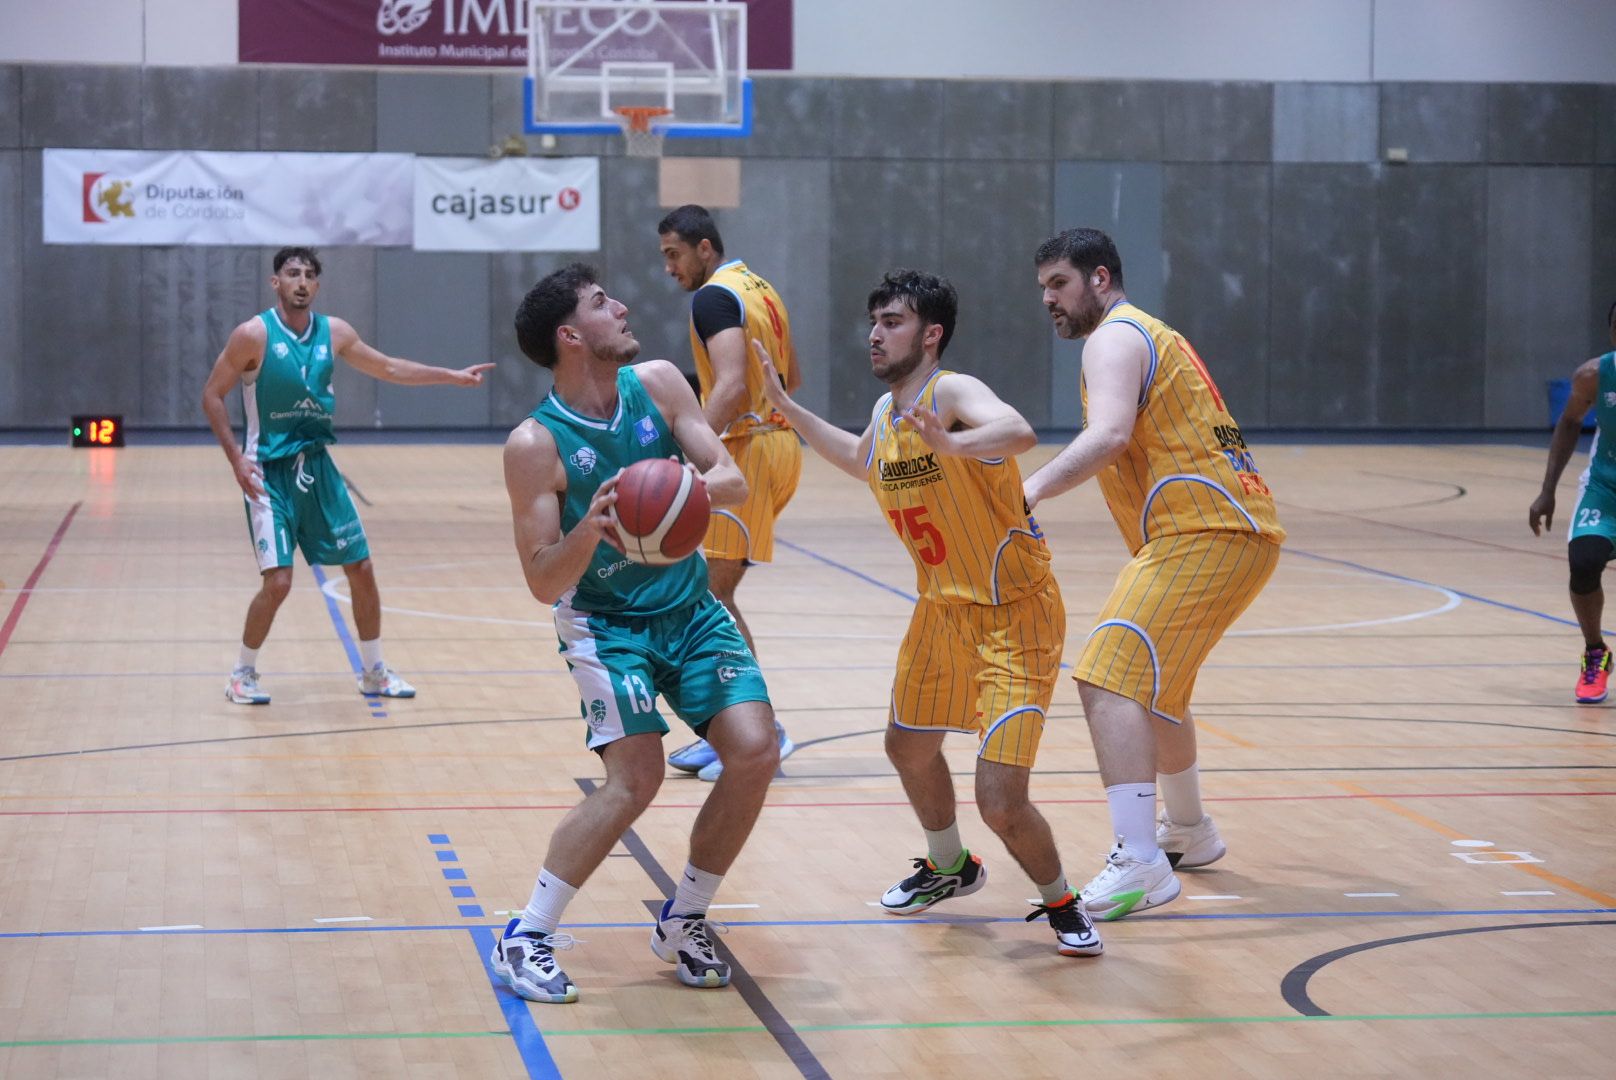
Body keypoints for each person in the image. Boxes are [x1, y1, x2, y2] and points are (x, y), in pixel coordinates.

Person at [754, 268, 1102, 957]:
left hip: (1015, 615)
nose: (876, 336)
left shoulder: (951, 393)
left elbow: (1019, 430)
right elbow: (860, 460)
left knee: (1000, 800)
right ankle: (951, 867)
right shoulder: (889, 417)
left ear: (931, 334)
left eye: (892, 322)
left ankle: (1061, 899)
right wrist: (784, 408)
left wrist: (955, 444)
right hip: (940, 611)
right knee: (907, 745)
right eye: (874, 323)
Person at [492, 263, 781, 1003]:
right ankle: (527, 933)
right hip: (604, 623)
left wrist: (670, 493)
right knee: (637, 778)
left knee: (754, 751)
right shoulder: (535, 443)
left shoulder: (657, 383)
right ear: (569, 336)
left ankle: (683, 918)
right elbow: (541, 579)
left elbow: (731, 481)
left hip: (687, 608)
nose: (620, 306)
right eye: (599, 303)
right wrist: (593, 528)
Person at [1022, 228, 1285, 921]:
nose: (1047, 298)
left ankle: (1140, 860)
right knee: (1157, 691)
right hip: (1238, 527)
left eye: (1058, 283)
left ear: (1100, 278)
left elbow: (1109, 436)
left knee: (1108, 675)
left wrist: (1030, 489)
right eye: (1042, 286)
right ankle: (1190, 831)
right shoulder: (1147, 335)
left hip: (1207, 527)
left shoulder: (1114, 337)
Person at [200, 246, 493, 705]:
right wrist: (237, 459)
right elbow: (212, 395)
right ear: (275, 283)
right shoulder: (252, 335)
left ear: (317, 286)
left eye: (309, 275)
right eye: (292, 273)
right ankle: (242, 672)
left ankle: (374, 671)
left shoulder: (334, 332)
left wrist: (451, 376)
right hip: (268, 473)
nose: (301, 281)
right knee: (278, 583)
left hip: (318, 467)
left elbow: (389, 366)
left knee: (361, 567)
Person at [656, 205, 800, 781]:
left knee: (712, 597)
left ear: (705, 248)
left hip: (748, 452)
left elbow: (736, 385)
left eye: (674, 254)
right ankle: (728, 730)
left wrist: (690, 452)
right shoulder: (760, 289)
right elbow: (792, 378)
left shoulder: (713, 296)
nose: (669, 268)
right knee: (706, 593)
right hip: (774, 444)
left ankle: (762, 734)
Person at [1529, 299, 1616, 703]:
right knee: (1583, 561)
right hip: (1606, 486)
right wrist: (1547, 490)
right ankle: (1596, 651)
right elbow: (1568, 422)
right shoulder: (1594, 376)